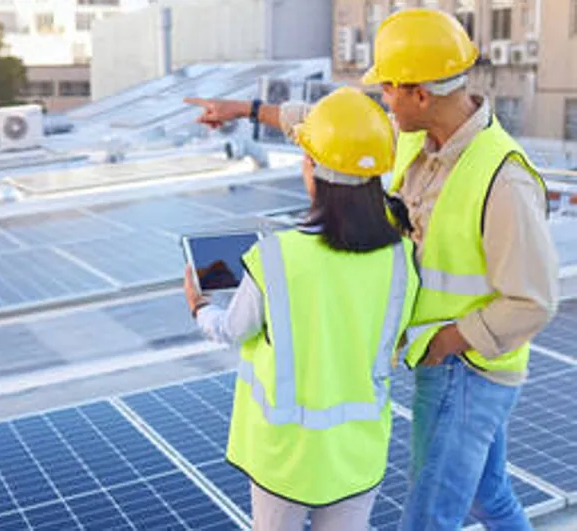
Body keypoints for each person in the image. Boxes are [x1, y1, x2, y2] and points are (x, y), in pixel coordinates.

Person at [186, 8, 560, 530]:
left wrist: (447, 341)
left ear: (420, 95)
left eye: (387, 90)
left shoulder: (504, 179)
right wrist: (245, 109)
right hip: (446, 359)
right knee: (487, 497)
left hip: (467, 369)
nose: (381, 100)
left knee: (429, 518)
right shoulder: (411, 133)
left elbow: (535, 300)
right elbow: (330, 131)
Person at [183, 87, 420, 531]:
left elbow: (232, 330)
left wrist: (198, 305)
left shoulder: (275, 257)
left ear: (313, 170)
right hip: (357, 451)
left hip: (285, 458)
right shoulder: (402, 259)